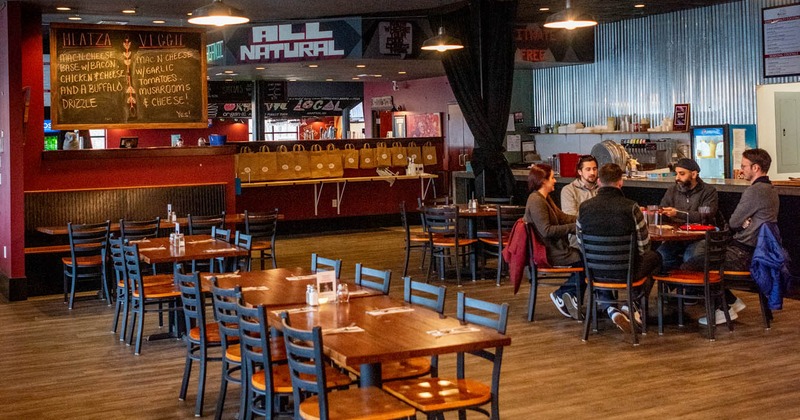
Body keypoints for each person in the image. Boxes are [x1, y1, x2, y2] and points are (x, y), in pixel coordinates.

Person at [577, 163, 663, 333]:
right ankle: (633, 305)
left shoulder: (584, 208)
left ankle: (610, 308)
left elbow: (581, 243)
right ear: (620, 182)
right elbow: (644, 246)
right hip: (626, 271)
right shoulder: (631, 207)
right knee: (656, 257)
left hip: (594, 271)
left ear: (599, 181)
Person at [698, 148, 778, 326]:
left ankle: (722, 308)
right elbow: (741, 222)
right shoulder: (771, 189)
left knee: (695, 264)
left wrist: (743, 222)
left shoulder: (754, 191)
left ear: (755, 168)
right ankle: (731, 302)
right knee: (701, 259)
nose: (741, 170)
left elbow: (734, 222)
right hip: (759, 253)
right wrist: (745, 221)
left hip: (744, 254)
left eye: (743, 166)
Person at [524, 163, 583, 320]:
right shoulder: (536, 201)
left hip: (553, 248)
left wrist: (583, 219)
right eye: (552, 178)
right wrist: (574, 227)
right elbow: (546, 230)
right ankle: (563, 293)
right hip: (548, 252)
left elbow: (563, 217)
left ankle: (569, 295)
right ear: (543, 181)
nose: (555, 181)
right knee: (587, 261)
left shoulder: (545, 198)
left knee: (585, 259)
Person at [657, 158, 719, 270]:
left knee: (690, 257)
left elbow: (705, 216)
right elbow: (663, 208)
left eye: (681, 174)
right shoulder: (672, 190)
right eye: (676, 174)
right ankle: (677, 285)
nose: (677, 178)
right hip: (676, 237)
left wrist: (677, 213)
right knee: (661, 255)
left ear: (694, 174)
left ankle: (689, 285)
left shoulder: (708, 191)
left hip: (700, 237)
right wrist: (659, 212)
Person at [561, 155, 599, 248]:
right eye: (588, 169)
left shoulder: (602, 188)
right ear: (580, 172)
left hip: (600, 237)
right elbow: (571, 217)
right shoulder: (569, 190)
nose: (592, 172)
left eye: (594, 169)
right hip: (579, 241)